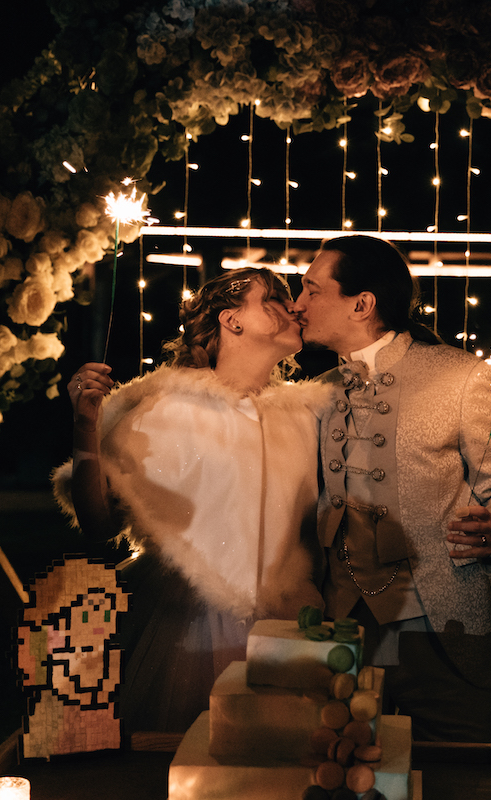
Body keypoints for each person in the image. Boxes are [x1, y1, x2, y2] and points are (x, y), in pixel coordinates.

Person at [51, 267, 328, 733]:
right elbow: (100, 522)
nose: (293, 307)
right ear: (231, 321)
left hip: (286, 628)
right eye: (273, 300)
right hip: (189, 630)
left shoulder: (306, 415)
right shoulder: (166, 409)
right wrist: (85, 427)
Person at [290, 235, 491, 742]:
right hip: (341, 628)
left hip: (440, 626)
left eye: (311, 290)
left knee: (461, 776)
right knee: (347, 774)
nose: (297, 305)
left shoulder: (463, 375)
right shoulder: (313, 395)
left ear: (361, 304)